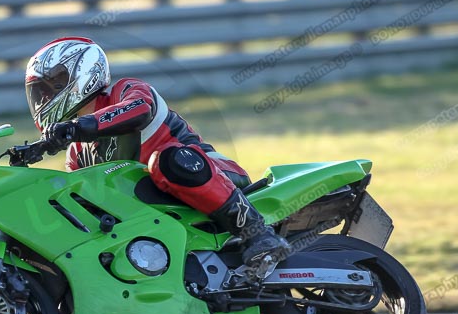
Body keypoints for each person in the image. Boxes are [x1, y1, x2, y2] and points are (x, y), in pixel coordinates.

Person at [24, 36, 290, 268]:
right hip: (160, 209)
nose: (44, 100)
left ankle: (258, 234)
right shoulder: (77, 152)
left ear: (81, 73)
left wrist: (75, 127)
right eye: (39, 93)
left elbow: (139, 110)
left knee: (165, 160)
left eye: (51, 88)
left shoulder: (125, 90)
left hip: (213, 174)